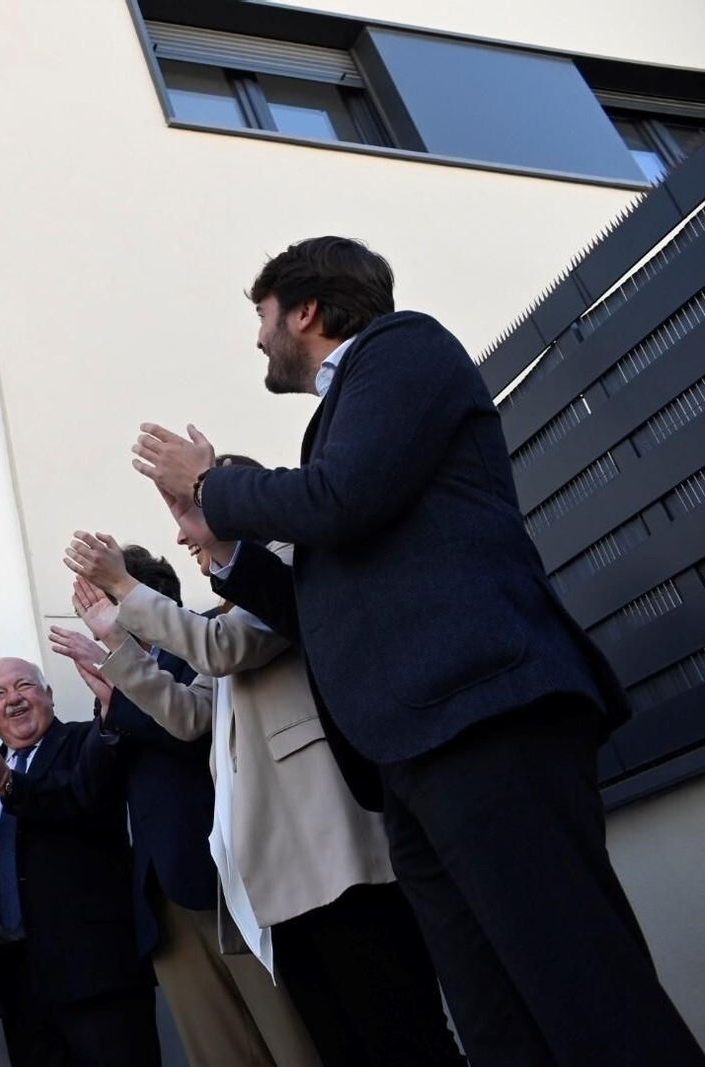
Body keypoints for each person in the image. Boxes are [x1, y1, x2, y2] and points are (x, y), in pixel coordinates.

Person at [130, 235, 704, 1066]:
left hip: (482, 716)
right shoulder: (345, 422)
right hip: (410, 755)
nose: (257, 338)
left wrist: (215, 482)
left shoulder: (404, 351)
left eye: (262, 316)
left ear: (308, 310)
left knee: (580, 987)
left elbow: (339, 497)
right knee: (495, 1016)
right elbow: (317, 603)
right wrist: (221, 549)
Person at [58, 519, 463, 1067]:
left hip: (336, 853)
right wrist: (116, 652)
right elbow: (188, 715)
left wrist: (125, 592)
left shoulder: (288, 566)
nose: (182, 537)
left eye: (191, 515)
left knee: (401, 1037)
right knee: (342, 1045)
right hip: (274, 874)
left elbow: (222, 649)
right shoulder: (223, 620)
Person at [66, 544, 321, 1067]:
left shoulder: (205, 643)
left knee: (291, 1042)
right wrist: (110, 706)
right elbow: (93, 792)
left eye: (105, 600)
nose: (97, 621)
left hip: (232, 881)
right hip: (163, 898)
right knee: (219, 1052)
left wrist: (123, 694)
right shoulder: (115, 670)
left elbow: (192, 736)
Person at [0, 657, 158, 1067]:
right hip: (20, 984)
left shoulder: (86, 741)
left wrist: (7, 783)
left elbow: (80, 801)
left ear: (49, 695)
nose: (14, 699)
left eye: (25, 686)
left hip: (96, 974)